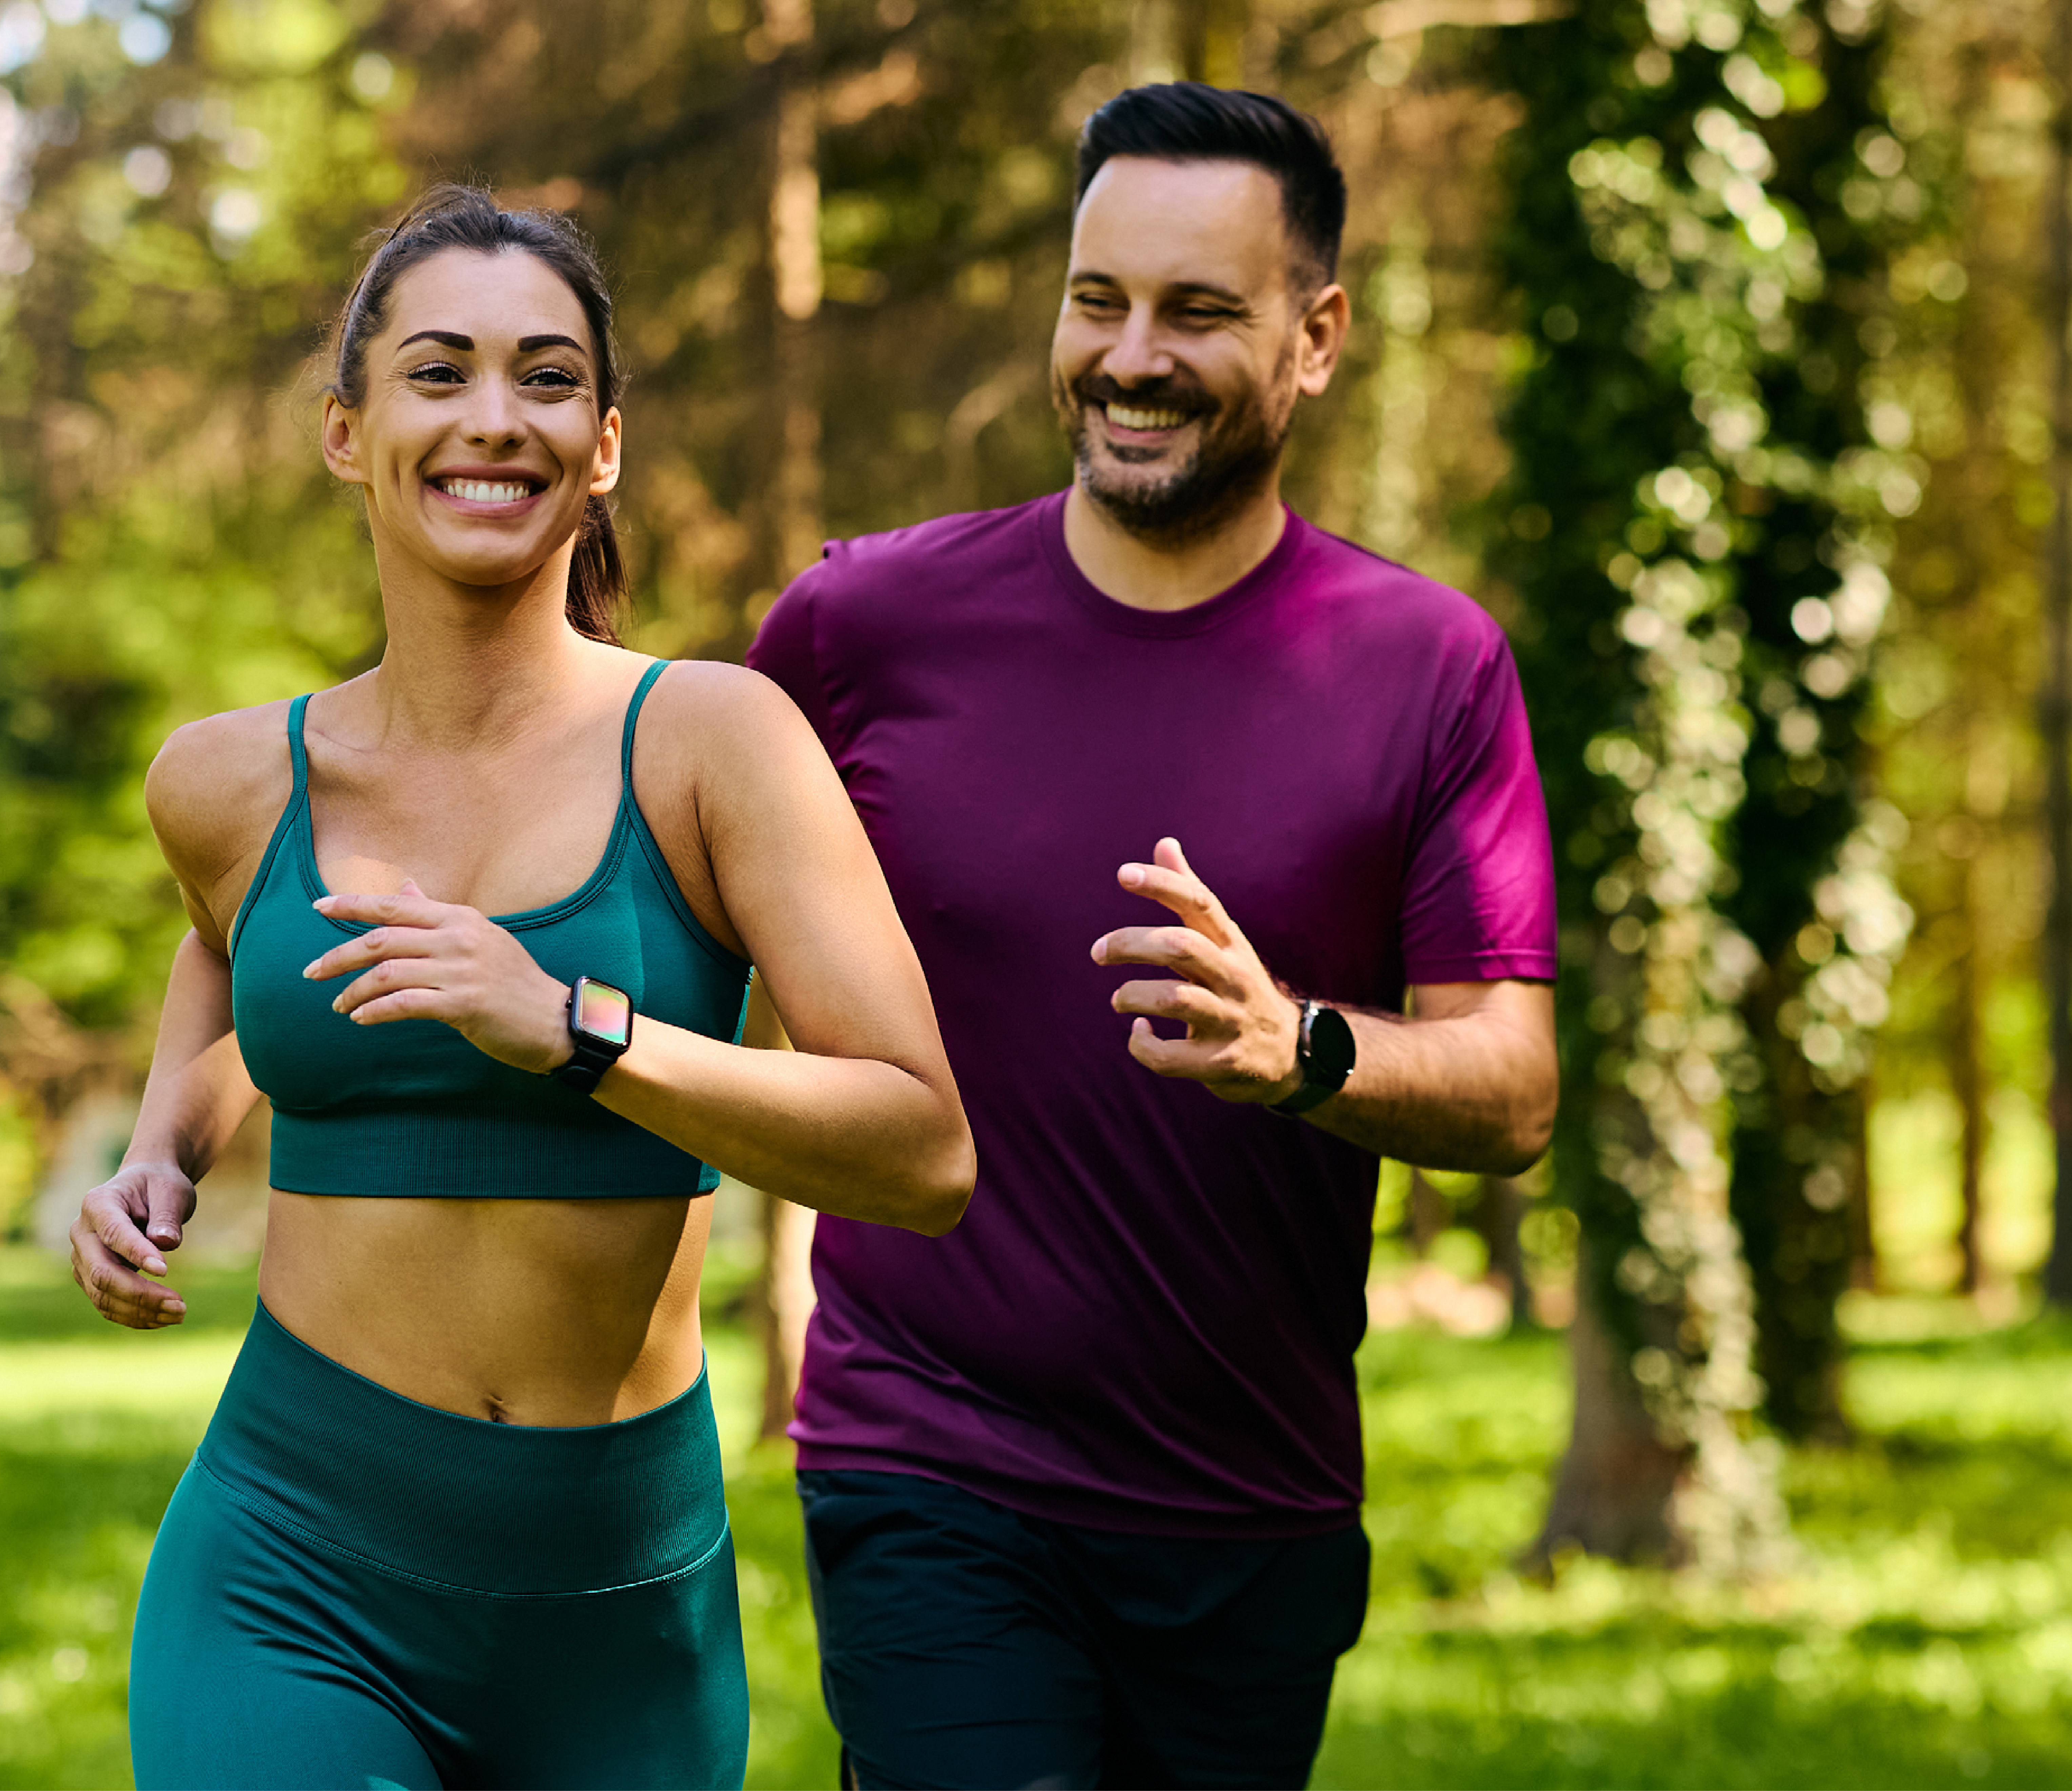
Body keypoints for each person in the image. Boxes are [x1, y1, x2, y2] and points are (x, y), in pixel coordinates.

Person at [69, 185, 974, 1791]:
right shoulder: (226, 783)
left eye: (546, 379)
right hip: (294, 1571)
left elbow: (921, 1151)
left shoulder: (715, 746)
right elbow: (225, 949)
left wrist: (572, 1029)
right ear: (347, 433)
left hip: (621, 1617)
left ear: (601, 446)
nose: (494, 417)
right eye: (438, 372)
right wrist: (162, 1151)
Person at [747, 84, 1559, 1790]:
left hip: (1248, 1505)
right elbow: (656, 939)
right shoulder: (856, 631)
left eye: (1194, 312)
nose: (1129, 358)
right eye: (1094, 300)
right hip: (926, 1460)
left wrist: (1296, 1049)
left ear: (1313, 337)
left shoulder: (1428, 668)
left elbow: (1510, 1091)